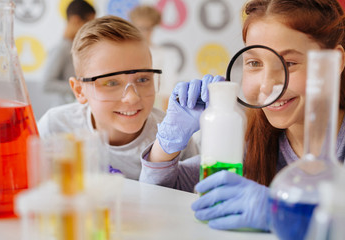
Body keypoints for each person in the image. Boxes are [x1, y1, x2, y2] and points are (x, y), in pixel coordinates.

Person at [139, 0, 345, 231]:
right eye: (254, 63)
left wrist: (282, 212)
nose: (267, 85)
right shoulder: (251, 142)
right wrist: (167, 144)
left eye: (289, 63)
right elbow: (157, 197)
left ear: (334, 62)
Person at [37, 15, 200, 180]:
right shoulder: (55, 128)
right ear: (79, 90)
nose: (132, 97)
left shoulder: (174, 137)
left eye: (143, 79)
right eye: (111, 83)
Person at [42, 0, 96, 104]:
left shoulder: (78, 47)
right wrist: (81, 87)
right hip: (66, 109)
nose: (90, 29)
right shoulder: (61, 49)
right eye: (88, 23)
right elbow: (47, 84)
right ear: (75, 20)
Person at [129, 5, 178, 111]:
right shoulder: (124, 52)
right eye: (139, 27)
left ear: (153, 28)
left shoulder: (164, 54)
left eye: (147, 28)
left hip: (154, 107)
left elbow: (169, 91)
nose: (143, 32)